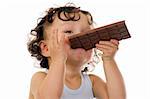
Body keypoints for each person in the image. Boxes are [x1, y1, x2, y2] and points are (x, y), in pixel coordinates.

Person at [27, 4, 126, 99]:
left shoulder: (92, 82)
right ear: (46, 48)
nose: (79, 36)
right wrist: (59, 60)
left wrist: (109, 59)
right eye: (68, 31)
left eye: (87, 33)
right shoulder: (40, 78)